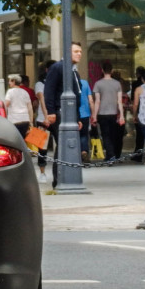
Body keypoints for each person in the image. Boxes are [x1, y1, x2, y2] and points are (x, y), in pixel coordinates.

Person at [43, 43, 90, 186]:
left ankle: (66, 176)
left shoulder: (74, 71)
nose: (79, 54)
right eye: (76, 51)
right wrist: (51, 112)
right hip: (59, 112)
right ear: (68, 52)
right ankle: (58, 179)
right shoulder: (58, 67)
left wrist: (77, 117)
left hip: (71, 114)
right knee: (62, 144)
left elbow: (76, 95)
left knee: (68, 144)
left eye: (80, 51)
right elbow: (49, 90)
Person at [92, 61, 125, 164]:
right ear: (112, 71)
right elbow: (119, 101)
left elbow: (97, 101)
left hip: (102, 113)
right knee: (113, 135)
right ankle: (112, 155)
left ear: (102, 70)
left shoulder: (98, 84)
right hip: (114, 113)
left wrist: (94, 115)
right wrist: (122, 116)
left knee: (105, 135)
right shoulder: (117, 83)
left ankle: (110, 155)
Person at [34, 60, 54, 177]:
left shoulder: (57, 82)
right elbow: (41, 100)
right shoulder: (40, 84)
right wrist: (46, 116)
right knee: (42, 147)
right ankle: (42, 172)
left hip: (53, 117)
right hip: (43, 119)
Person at [5, 74, 33, 142]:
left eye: (10, 81)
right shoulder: (25, 92)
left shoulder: (10, 92)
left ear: (14, 81)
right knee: (22, 140)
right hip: (25, 120)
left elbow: (6, 104)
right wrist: (31, 122)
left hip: (14, 120)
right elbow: (30, 108)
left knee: (14, 141)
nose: (9, 83)